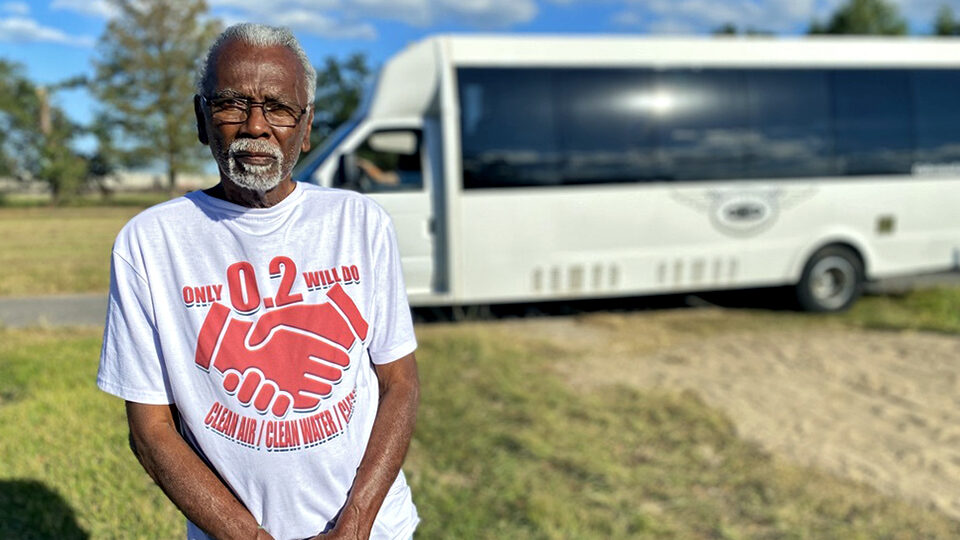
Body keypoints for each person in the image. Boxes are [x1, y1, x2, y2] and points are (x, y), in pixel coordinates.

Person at [97, 23, 420, 540]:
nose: (255, 125)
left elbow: (398, 383)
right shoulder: (150, 244)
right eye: (230, 104)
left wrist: (356, 527)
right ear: (202, 120)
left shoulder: (360, 222)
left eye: (279, 107)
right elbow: (150, 430)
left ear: (307, 125)